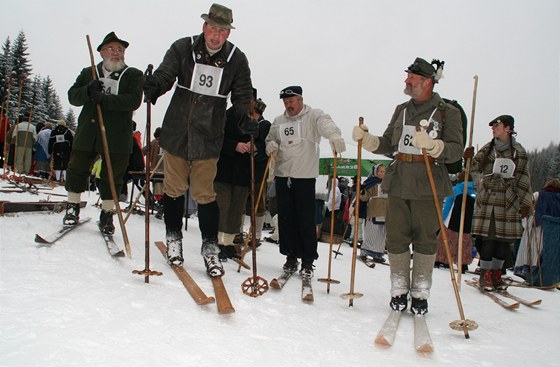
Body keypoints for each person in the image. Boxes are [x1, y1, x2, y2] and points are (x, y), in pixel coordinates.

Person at [142, 3, 256, 277]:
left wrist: (247, 121)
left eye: (222, 30)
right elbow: (166, 74)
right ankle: (174, 239)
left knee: (205, 194)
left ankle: (209, 248)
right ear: (204, 26)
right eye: (212, 28)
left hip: (208, 136)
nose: (216, 35)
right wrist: (155, 86)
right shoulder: (183, 47)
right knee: (174, 188)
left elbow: (241, 97)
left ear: (228, 33)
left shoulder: (236, 59)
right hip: (178, 132)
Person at [352, 57, 463, 314]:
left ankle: (421, 292)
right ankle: (399, 289)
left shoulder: (448, 111)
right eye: (407, 77)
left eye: (411, 77)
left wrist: (436, 146)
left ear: (427, 81)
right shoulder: (402, 109)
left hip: (429, 182)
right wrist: (368, 140)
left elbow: (456, 150)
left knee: (425, 239)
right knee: (396, 237)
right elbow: (390, 144)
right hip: (400, 180)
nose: (406, 81)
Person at [64, 31, 143, 235]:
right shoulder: (88, 72)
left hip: (117, 135)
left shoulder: (133, 74)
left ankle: (107, 214)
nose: (116, 53)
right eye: (112, 48)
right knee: (77, 168)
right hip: (88, 131)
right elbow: (73, 97)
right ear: (101, 52)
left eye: (120, 49)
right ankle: (72, 207)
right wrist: (88, 91)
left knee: (113, 176)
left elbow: (133, 100)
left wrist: (104, 99)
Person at [265, 85, 346, 281]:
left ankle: (308, 261)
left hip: (305, 177)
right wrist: (271, 146)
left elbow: (326, 123)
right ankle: (291, 257)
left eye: (291, 101)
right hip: (284, 176)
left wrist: (334, 135)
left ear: (300, 100)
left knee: (306, 221)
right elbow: (270, 138)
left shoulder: (313, 116)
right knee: (286, 219)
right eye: (285, 102)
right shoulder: (278, 121)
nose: (289, 105)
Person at [468, 115, 533, 291]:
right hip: (488, 200)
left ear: (508, 128)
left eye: (497, 125)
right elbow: (472, 168)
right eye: (493, 126)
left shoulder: (518, 151)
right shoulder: (487, 149)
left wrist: (526, 202)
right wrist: (468, 161)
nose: (494, 128)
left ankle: (497, 273)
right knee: (488, 238)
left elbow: (522, 177)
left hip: (508, 200)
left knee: (503, 241)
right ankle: (485, 274)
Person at [434, 171, 476, 272]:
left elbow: (448, 205)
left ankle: (441, 260)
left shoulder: (456, 189)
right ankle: (463, 263)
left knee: (445, 240)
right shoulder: (474, 192)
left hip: (451, 221)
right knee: (464, 242)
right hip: (467, 223)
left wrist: (441, 219)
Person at [359, 163, 388, 263]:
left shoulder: (388, 183)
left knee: (381, 234)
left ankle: (378, 254)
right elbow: (366, 196)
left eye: (384, 171)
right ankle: (364, 252)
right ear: (376, 172)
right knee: (371, 232)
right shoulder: (371, 183)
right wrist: (362, 193)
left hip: (384, 211)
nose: (382, 173)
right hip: (373, 210)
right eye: (380, 171)